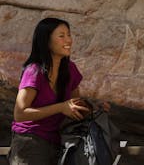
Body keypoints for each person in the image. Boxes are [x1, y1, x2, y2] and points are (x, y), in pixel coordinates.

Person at [8, 18, 91, 165]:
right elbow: (19, 114)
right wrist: (61, 107)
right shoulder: (34, 71)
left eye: (69, 35)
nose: (69, 40)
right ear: (46, 41)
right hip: (30, 141)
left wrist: (94, 108)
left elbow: (74, 107)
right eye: (61, 36)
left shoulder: (70, 69)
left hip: (60, 142)